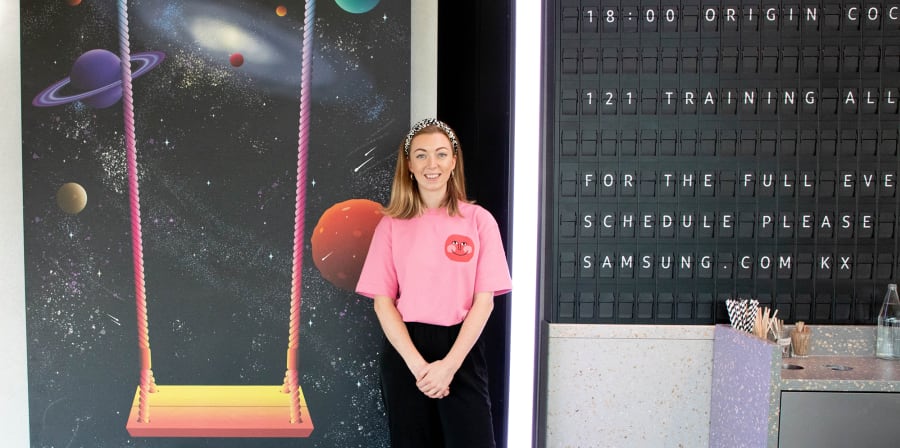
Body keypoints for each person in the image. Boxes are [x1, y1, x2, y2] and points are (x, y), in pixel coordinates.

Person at [356, 118, 512, 448]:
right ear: (409, 165)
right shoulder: (391, 224)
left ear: (454, 162)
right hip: (406, 352)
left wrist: (448, 367)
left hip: (461, 350)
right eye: (422, 155)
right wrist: (419, 368)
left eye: (441, 155)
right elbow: (382, 302)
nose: (432, 164)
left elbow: (485, 303)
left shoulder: (479, 221)